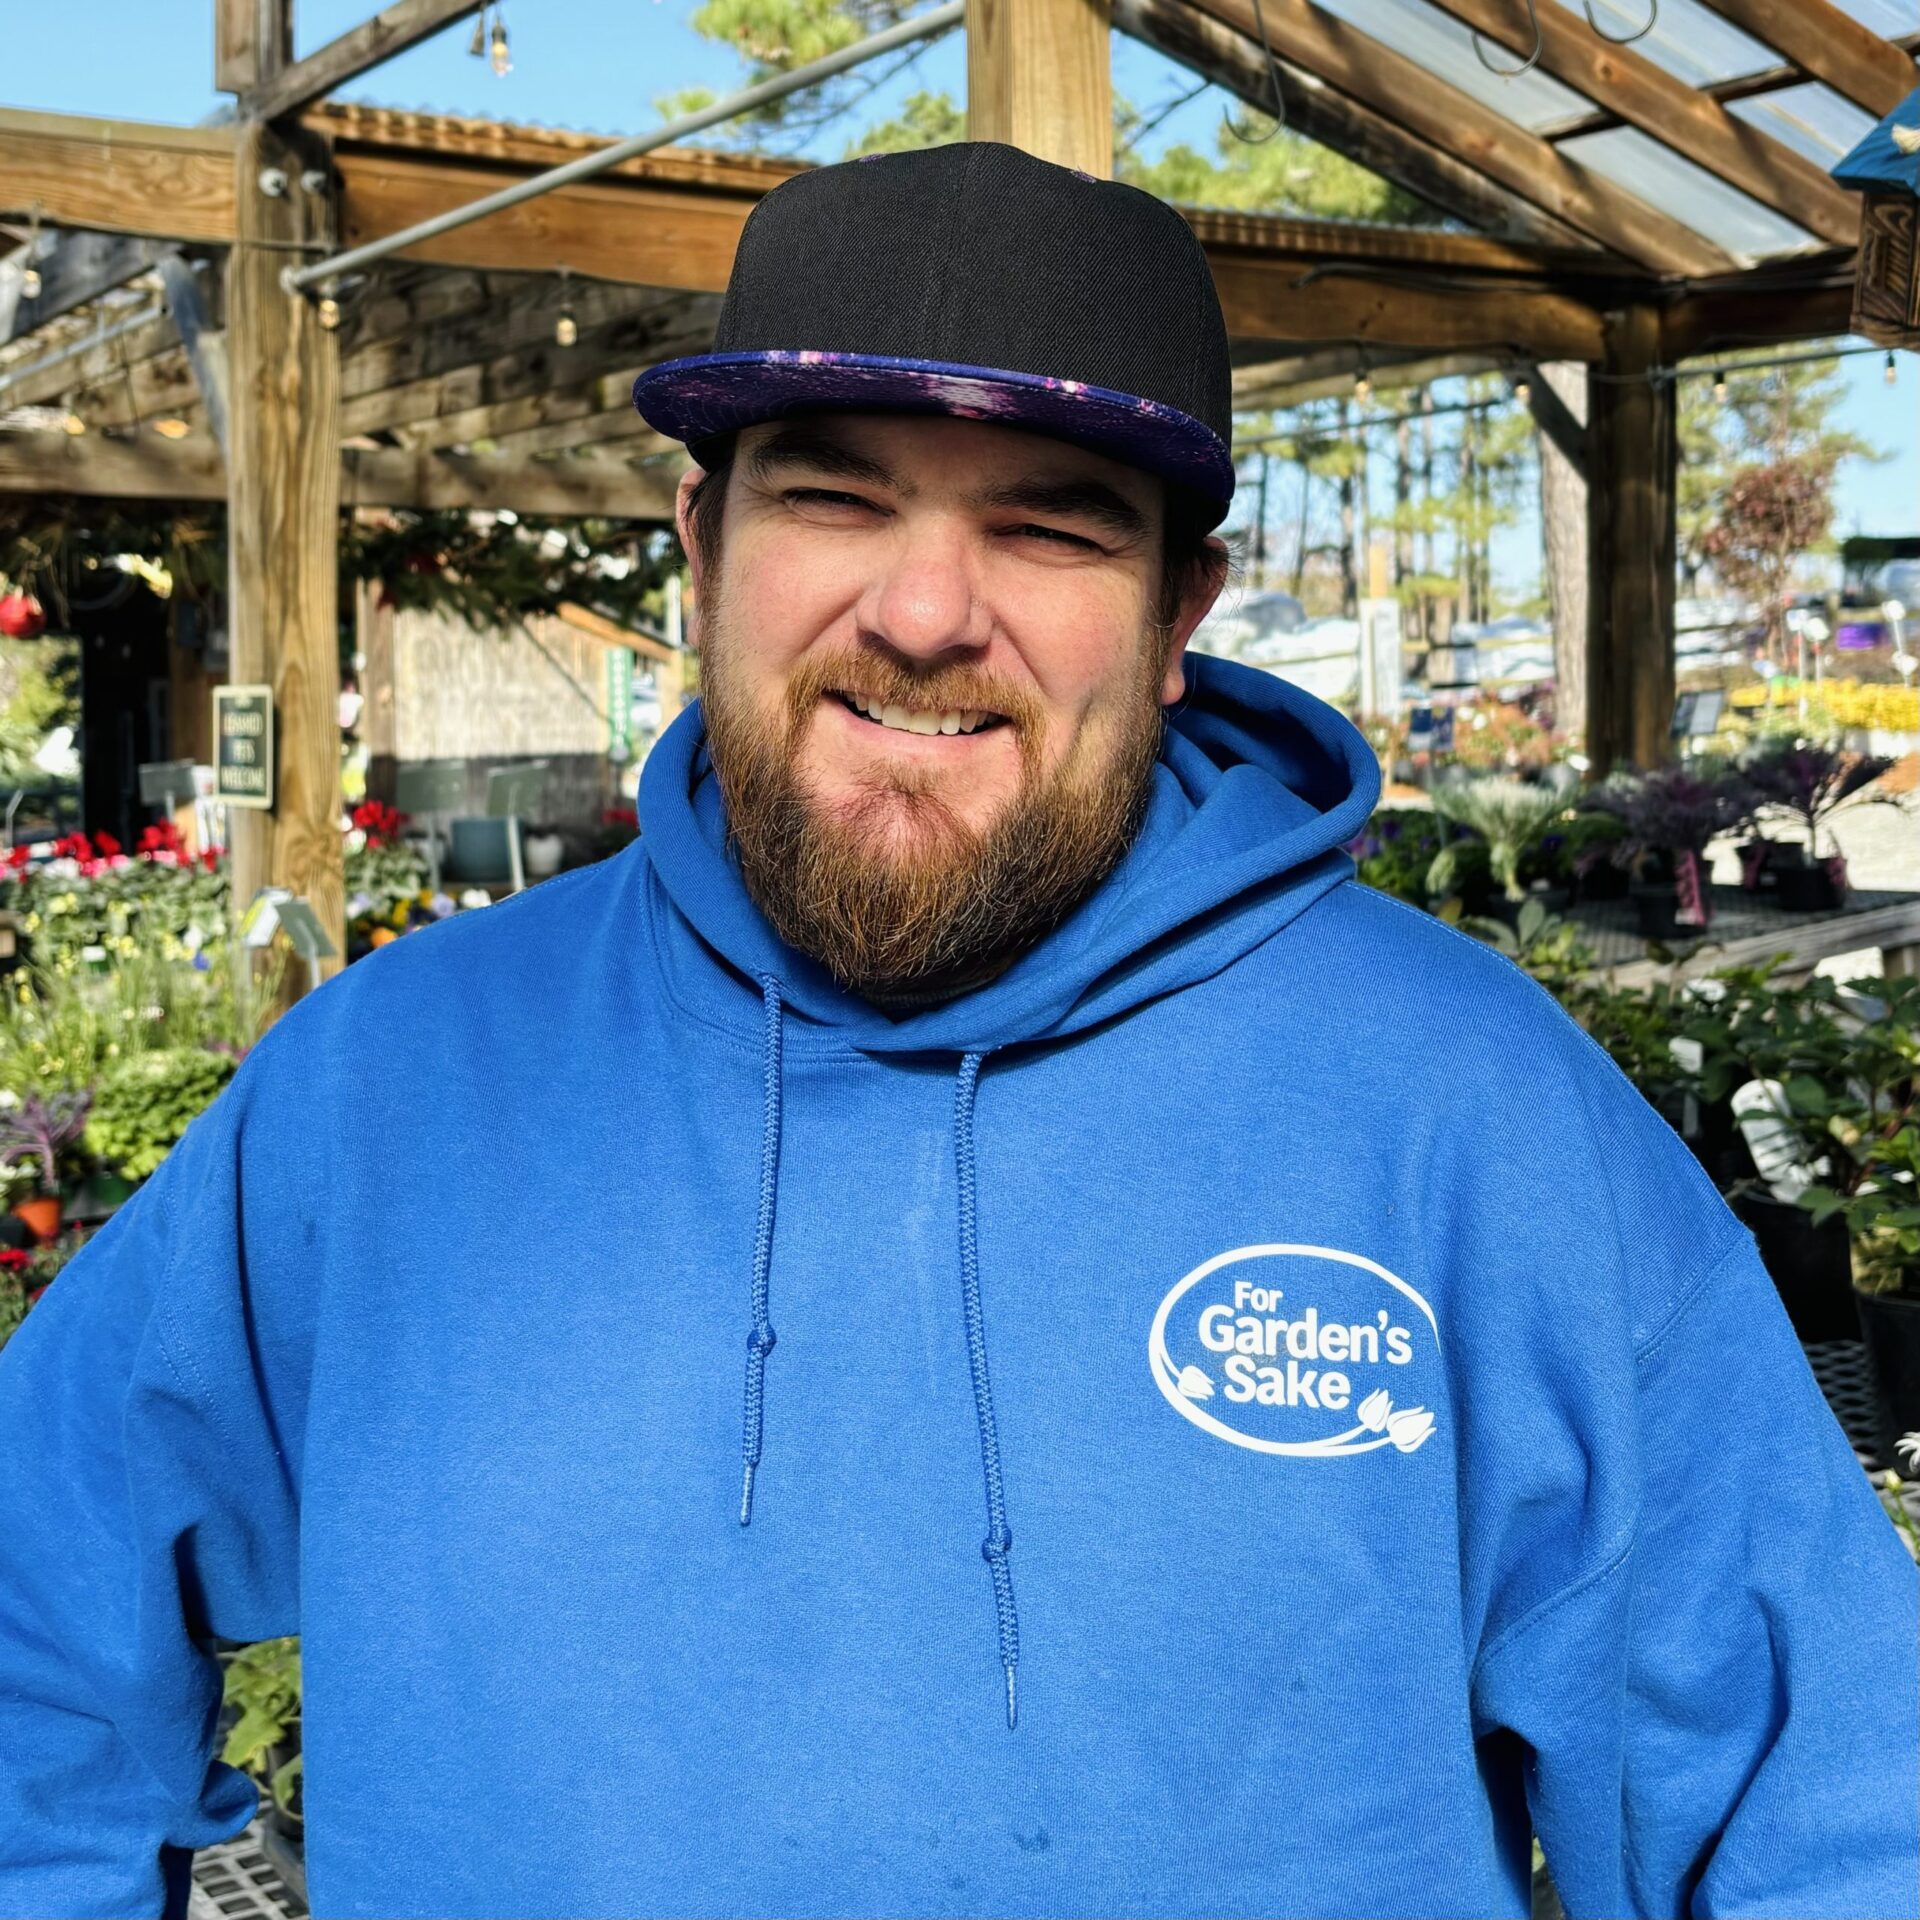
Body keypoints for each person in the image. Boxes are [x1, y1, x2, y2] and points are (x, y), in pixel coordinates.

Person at [0, 141, 1913, 1920]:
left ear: (1181, 616)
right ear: (699, 551)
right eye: (833, 491)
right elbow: (36, 1605)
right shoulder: (387, 1097)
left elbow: (1832, 1809)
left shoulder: (1470, 1118)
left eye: (1052, 526)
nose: (924, 610)